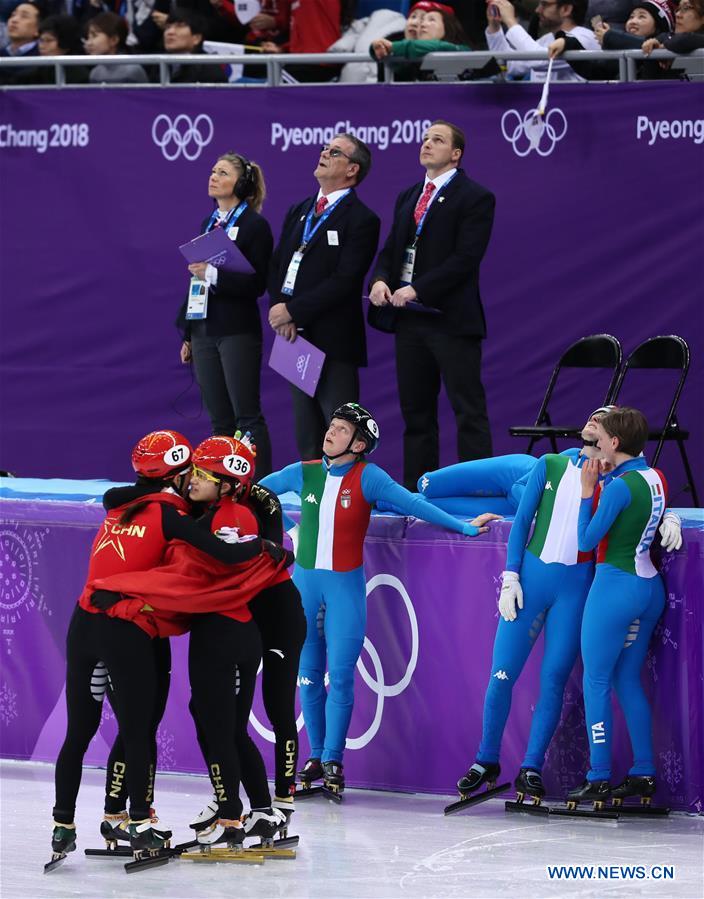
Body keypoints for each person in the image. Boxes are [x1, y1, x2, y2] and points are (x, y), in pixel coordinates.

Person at [49, 430, 271, 868]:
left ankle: (63, 826)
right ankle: (139, 822)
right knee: (138, 729)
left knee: (79, 731)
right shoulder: (170, 515)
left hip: (83, 621)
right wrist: (268, 548)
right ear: (178, 473)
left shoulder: (117, 507)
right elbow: (224, 555)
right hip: (126, 628)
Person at [261, 402, 500, 793]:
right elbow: (254, 494)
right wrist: (291, 529)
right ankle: (315, 756)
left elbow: (414, 505)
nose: (330, 432)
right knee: (306, 676)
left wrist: (464, 528)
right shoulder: (302, 472)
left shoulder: (369, 478)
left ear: (358, 445)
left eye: (341, 430)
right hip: (305, 586)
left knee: (339, 676)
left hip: (344, 589)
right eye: (332, 426)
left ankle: (334, 761)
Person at [92, 435, 296, 848]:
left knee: (207, 726)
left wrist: (122, 589)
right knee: (218, 726)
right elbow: (115, 495)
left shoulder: (220, 517)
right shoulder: (196, 510)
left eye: (202, 474)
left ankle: (234, 815)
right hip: (236, 630)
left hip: (221, 630)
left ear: (226, 484)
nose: (192, 480)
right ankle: (258, 812)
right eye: (190, 471)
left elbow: (193, 579)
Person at [369, 120, 495, 491]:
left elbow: (466, 258)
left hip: (450, 321)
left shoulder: (474, 196)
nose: (427, 144)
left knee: (467, 411)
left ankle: (477, 492)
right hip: (410, 323)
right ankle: (417, 493)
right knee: (416, 415)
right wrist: (380, 280)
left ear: (455, 153)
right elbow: (393, 248)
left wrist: (418, 288)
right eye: (425, 138)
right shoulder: (409, 195)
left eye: (437, 140)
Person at [567, 408, 668, 808]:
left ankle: (598, 777)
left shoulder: (617, 488)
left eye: (601, 436)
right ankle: (643, 773)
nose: (596, 441)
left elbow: (587, 541)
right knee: (627, 679)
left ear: (614, 444)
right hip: (649, 588)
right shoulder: (655, 475)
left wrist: (587, 493)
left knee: (596, 680)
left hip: (614, 588)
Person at [267, 135, 380, 462]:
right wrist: (281, 310)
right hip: (295, 340)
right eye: (323, 149)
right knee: (307, 434)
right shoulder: (299, 210)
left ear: (351, 169)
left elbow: (345, 280)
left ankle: (345, 505)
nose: (324, 154)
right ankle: (313, 507)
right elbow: (278, 265)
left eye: (334, 152)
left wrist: (292, 311)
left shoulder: (362, 218)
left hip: (334, 339)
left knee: (342, 432)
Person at [178, 153, 274, 478]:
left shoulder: (254, 226)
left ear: (241, 183)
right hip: (205, 329)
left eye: (223, 172)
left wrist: (213, 274)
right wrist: (188, 333)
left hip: (237, 331)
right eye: (213, 171)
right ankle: (222, 485)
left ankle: (260, 487)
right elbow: (196, 281)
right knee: (220, 418)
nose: (214, 176)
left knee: (246, 415)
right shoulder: (208, 223)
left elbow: (257, 284)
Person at [486, 0, 600, 82]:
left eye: (544, 4)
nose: (537, 10)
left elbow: (537, 60)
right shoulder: (546, 39)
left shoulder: (585, 38)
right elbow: (510, 65)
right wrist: (494, 26)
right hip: (544, 111)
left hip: (573, 112)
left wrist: (511, 21)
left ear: (566, 9)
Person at [158, 9, 227, 83]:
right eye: (168, 27)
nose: (170, 32)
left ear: (196, 38)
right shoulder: (157, 64)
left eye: (180, 26)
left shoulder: (209, 69)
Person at [85, 12, 148, 84]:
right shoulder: (95, 73)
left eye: (94, 36)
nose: (88, 43)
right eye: (88, 38)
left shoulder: (133, 71)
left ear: (114, 40)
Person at [0, 1, 41, 84]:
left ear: (38, 29)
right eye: (13, 15)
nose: (14, 20)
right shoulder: (2, 54)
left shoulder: (43, 57)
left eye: (24, 16)